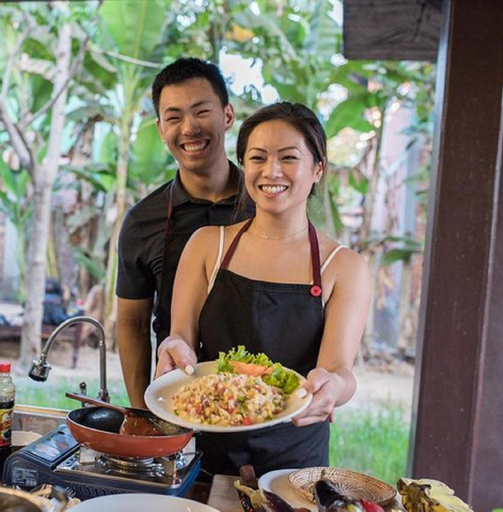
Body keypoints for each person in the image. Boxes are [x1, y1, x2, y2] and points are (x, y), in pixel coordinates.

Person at [155, 102, 372, 476]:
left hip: (295, 463)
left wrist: (333, 386)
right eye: (258, 158)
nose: (272, 171)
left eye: (289, 158)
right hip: (207, 449)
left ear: (318, 168)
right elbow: (181, 340)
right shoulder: (207, 245)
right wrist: (173, 349)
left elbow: (339, 369)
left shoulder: (344, 268)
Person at [116, 57, 254, 408]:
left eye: (201, 112)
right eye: (174, 117)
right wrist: (142, 410)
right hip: (179, 402)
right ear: (161, 129)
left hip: (260, 402)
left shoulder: (267, 205)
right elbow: (132, 324)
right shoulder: (142, 220)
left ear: (227, 115)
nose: (189, 128)